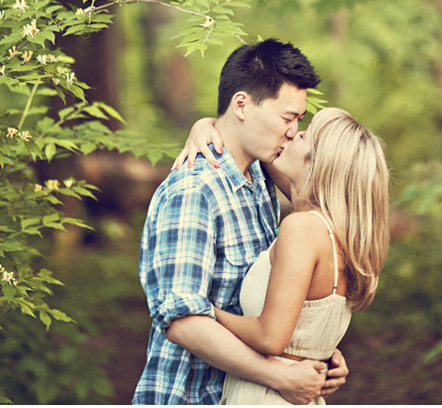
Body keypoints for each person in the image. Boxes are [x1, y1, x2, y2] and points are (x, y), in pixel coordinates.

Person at [132, 39, 349, 406]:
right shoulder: (194, 191)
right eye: (287, 118)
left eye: (299, 120)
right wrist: (280, 376)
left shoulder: (261, 178)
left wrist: (315, 351)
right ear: (242, 105)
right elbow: (181, 321)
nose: (294, 131)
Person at [177, 106, 389, 405]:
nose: (290, 134)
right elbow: (259, 149)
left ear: (316, 165)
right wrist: (206, 124)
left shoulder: (301, 229)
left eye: (302, 134)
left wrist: (204, 312)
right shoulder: (338, 232)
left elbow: (270, 338)